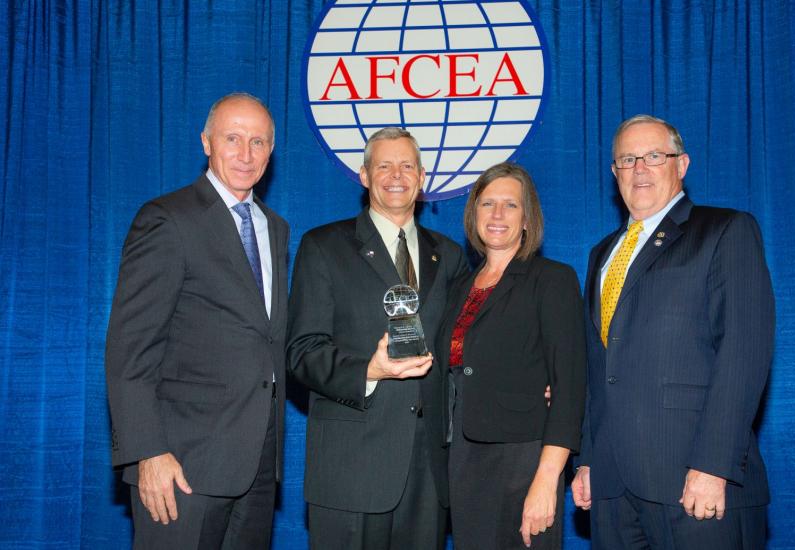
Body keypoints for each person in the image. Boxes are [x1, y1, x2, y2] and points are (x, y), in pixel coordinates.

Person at [571, 115, 774, 549]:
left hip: (693, 483)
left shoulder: (725, 231)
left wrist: (713, 466)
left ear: (681, 165)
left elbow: (743, 355)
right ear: (614, 172)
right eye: (628, 159)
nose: (640, 168)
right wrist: (588, 459)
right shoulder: (601, 255)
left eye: (654, 156)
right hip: (613, 490)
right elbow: (597, 369)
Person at [105, 92, 288, 548]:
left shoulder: (275, 227)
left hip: (258, 467)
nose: (246, 154)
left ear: (271, 150)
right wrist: (148, 452)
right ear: (206, 142)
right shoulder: (167, 219)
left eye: (259, 142)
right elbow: (130, 350)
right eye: (233, 138)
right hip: (181, 468)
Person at [286, 127, 467, 549]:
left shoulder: (450, 254)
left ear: (422, 177)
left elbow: (462, 350)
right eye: (383, 165)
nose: (396, 175)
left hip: (427, 472)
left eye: (407, 165)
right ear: (364, 175)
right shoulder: (324, 246)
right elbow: (301, 350)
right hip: (352, 464)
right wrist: (367, 371)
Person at [435, 162, 586, 549]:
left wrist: (547, 479)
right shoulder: (459, 287)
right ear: (473, 214)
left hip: (524, 463)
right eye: (487, 204)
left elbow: (569, 387)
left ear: (526, 218)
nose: (497, 215)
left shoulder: (552, 279)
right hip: (464, 460)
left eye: (510, 205)